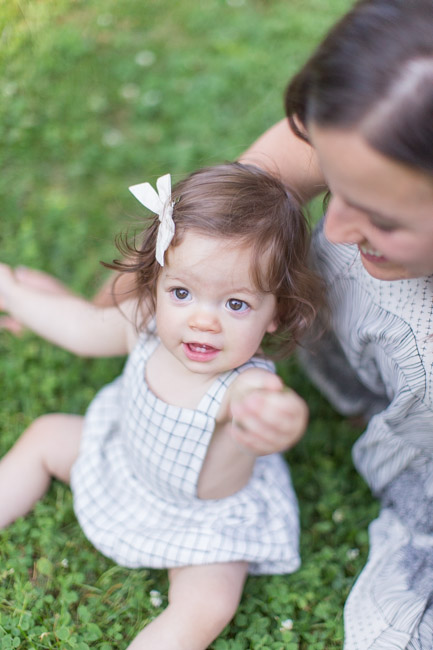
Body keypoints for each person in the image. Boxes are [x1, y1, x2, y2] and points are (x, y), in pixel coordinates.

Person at [0, 162, 321, 650]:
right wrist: (14, 294)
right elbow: (82, 328)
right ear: (155, 283)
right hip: (126, 462)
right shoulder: (148, 323)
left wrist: (279, 416)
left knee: (208, 605)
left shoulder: (244, 381)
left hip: (203, 520)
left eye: (235, 304)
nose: (203, 321)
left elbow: (260, 400)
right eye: (182, 292)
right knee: (47, 433)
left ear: (277, 311)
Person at [242, 0, 433, 648]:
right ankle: (357, 399)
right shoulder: (389, 111)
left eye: (380, 218)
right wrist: (149, 286)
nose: (339, 227)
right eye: (333, 183)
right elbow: (252, 191)